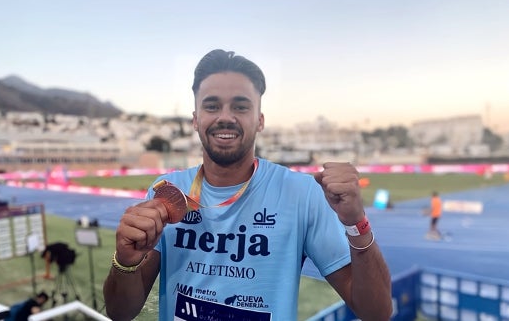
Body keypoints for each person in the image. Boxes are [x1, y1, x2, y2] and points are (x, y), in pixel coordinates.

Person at [103, 49, 392, 320]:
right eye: (212, 105)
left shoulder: (301, 194)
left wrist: (357, 222)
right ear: (195, 119)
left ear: (260, 120)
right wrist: (125, 261)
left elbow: (376, 312)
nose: (225, 117)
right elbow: (121, 313)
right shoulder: (166, 192)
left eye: (240, 107)